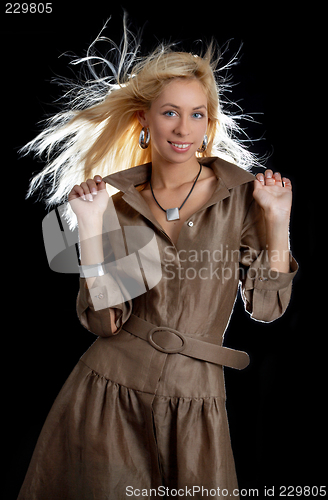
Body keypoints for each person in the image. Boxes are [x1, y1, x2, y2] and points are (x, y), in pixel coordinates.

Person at [18, 23, 298, 500]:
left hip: (196, 403)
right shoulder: (120, 203)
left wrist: (278, 221)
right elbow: (105, 321)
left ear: (209, 124)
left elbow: (267, 310)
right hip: (108, 392)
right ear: (145, 121)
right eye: (170, 112)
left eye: (196, 114)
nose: (183, 128)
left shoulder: (242, 199)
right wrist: (89, 227)